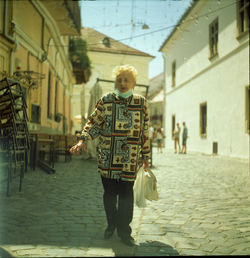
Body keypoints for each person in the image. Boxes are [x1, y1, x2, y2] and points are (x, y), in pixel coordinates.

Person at [69, 64, 150, 246]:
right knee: (109, 194)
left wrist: (146, 156)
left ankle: (124, 232)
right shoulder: (106, 100)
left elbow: (144, 131)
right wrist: (82, 139)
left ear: (134, 83)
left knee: (127, 195)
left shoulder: (141, 103)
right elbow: (94, 123)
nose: (122, 83)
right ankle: (111, 224)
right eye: (119, 80)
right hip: (107, 157)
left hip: (130, 158)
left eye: (126, 80)